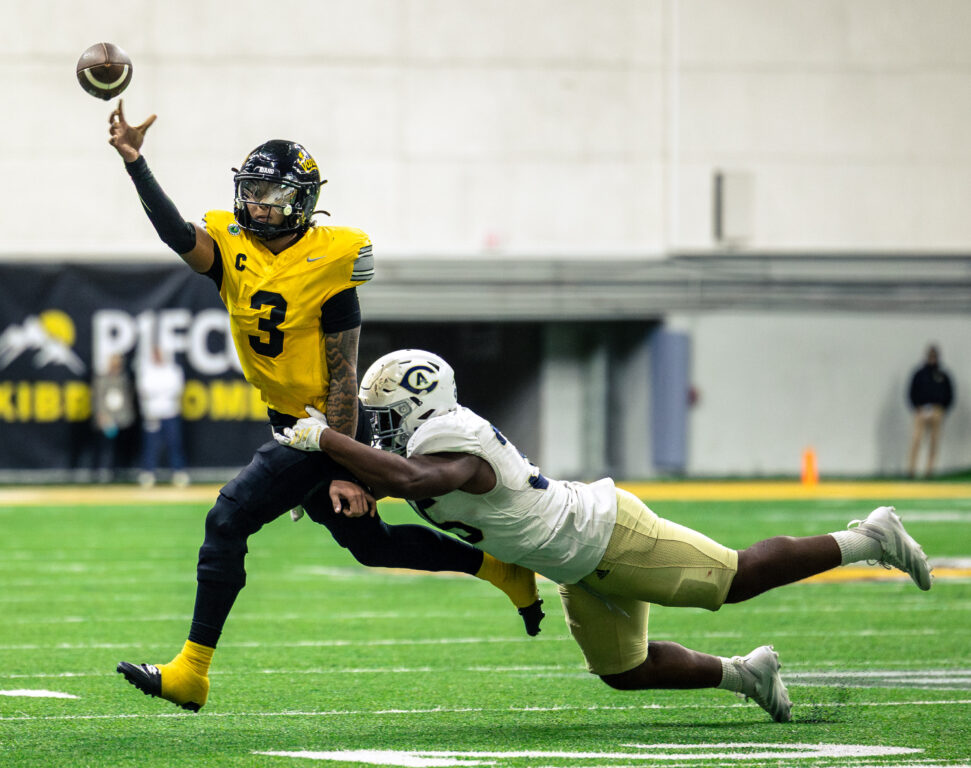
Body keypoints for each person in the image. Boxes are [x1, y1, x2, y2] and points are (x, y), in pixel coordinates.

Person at [106, 104, 542, 712]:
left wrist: (343, 464)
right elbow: (177, 235)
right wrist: (136, 162)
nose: (257, 204)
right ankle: (500, 569)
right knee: (372, 546)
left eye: (271, 194)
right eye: (251, 190)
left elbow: (343, 374)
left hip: (323, 427)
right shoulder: (232, 247)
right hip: (289, 420)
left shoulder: (333, 258)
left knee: (226, 521)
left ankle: (191, 672)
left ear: (302, 201)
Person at [276, 349, 934, 723]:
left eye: (386, 415)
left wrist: (328, 442)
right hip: (573, 562)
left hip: (608, 533)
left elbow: (416, 478)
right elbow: (403, 478)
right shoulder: (424, 442)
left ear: (418, 407)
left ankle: (870, 538)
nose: (378, 427)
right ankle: (746, 675)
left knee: (737, 578)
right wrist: (345, 482)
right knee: (624, 671)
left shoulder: (452, 441)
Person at [135, 345, 188, 488]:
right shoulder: (147, 371)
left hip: (170, 412)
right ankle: (148, 473)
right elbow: (144, 390)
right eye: (155, 354)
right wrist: (160, 394)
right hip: (152, 413)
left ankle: (178, 472)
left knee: (174, 443)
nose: (157, 357)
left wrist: (158, 393)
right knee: (151, 445)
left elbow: (176, 389)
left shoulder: (173, 370)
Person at [907, 344, 954, 478]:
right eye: (930, 356)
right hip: (921, 410)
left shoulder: (942, 375)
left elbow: (949, 394)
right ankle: (911, 470)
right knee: (916, 440)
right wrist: (916, 406)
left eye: (934, 356)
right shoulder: (920, 374)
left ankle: (929, 471)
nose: (932, 358)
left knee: (934, 442)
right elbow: (911, 391)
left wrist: (943, 408)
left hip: (937, 410)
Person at [91, 353, 136, 482]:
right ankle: (103, 470)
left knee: (120, 447)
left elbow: (128, 398)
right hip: (107, 418)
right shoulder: (102, 379)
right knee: (106, 447)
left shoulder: (123, 379)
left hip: (121, 418)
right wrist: (102, 416)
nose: (116, 366)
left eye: (118, 364)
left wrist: (128, 416)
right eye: (114, 364)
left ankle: (118, 470)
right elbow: (98, 399)